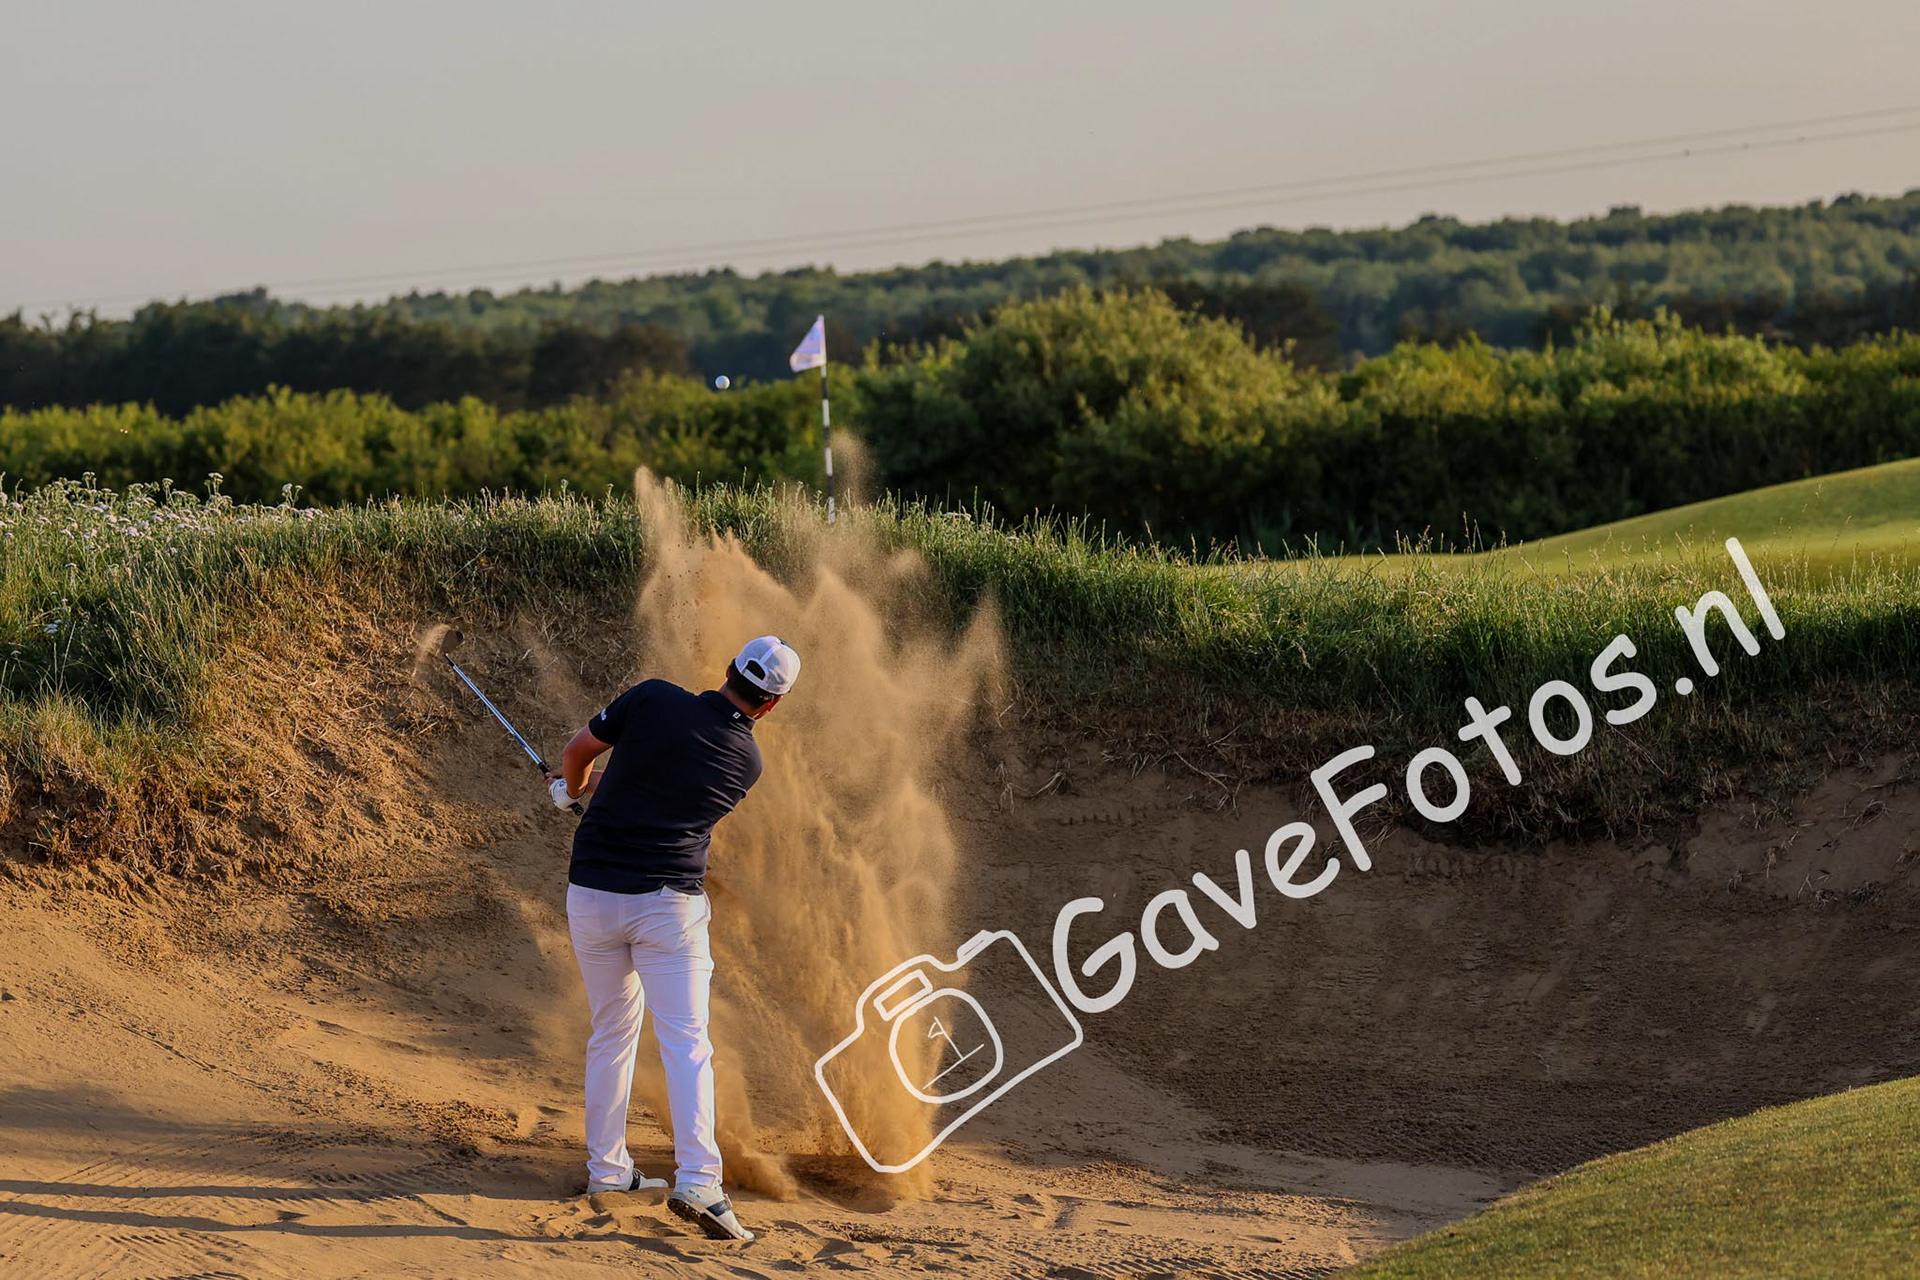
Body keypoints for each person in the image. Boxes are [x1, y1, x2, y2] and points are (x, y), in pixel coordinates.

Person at [545, 635, 801, 1244]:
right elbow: (661, 789)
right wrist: (589, 784)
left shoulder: (653, 697)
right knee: (686, 1045)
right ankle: (699, 1184)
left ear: (728, 669)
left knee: (611, 1032)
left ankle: (607, 1171)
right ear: (771, 706)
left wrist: (571, 788)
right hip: (666, 909)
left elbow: (580, 753)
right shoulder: (747, 761)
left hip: (592, 896)